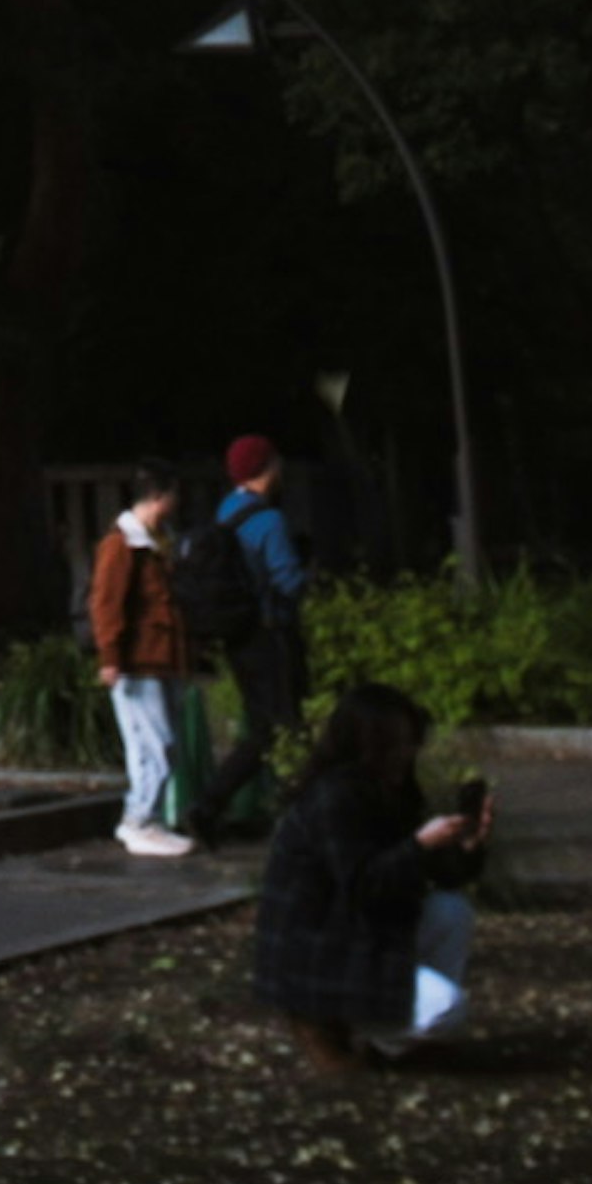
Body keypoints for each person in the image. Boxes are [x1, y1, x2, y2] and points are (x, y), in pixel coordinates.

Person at [251, 678, 492, 1075]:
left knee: (452, 911)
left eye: (410, 742)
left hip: (357, 931)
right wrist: (419, 846)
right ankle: (333, 1021)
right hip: (319, 949)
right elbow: (365, 882)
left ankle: (393, 1042)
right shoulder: (336, 797)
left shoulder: (388, 792)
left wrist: (467, 849)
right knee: (447, 1007)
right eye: (394, 744)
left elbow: (422, 875)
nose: (405, 754)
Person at [181, 433, 311, 850]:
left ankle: (228, 805)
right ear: (267, 468)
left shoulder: (227, 511)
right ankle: (214, 805)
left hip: (237, 636)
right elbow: (287, 581)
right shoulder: (270, 521)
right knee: (280, 727)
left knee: (265, 726)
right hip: (271, 633)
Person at [88, 462, 199, 857]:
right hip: (138, 661)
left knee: (162, 744)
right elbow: (107, 603)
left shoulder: (155, 541)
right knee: (153, 744)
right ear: (160, 496)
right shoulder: (123, 546)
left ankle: (145, 818)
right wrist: (112, 656)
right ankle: (139, 820)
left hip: (158, 658)